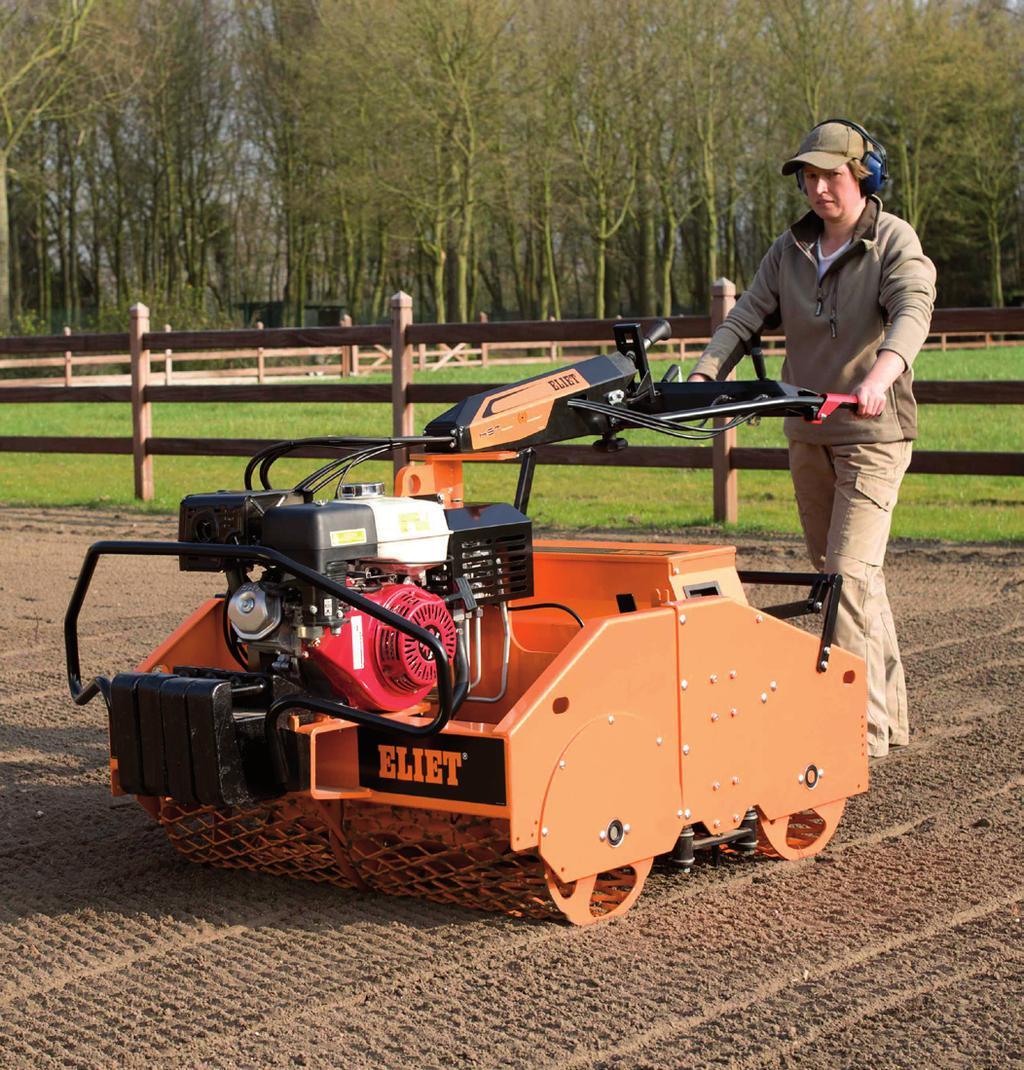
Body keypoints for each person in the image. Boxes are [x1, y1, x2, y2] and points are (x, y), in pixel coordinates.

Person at [688, 119, 936, 758]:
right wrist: (702, 374)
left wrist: (883, 374)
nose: (818, 187)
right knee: (845, 577)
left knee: (850, 578)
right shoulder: (790, 249)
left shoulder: (890, 241)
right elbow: (744, 319)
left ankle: (859, 731)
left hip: (873, 433)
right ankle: (890, 722)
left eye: (831, 174)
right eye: (809, 175)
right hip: (808, 431)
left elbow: (912, 311)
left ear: (863, 175)